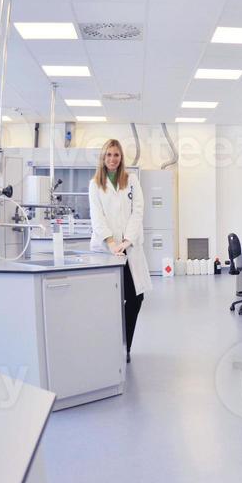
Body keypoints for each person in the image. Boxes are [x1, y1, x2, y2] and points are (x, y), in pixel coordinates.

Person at [88, 138, 151, 362]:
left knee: (136, 298)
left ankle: (125, 346)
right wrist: (111, 242)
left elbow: (138, 211)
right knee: (109, 300)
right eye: (108, 155)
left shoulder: (131, 180)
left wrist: (126, 240)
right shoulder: (95, 184)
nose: (113, 159)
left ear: (121, 157)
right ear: (103, 158)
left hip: (129, 249)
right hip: (106, 250)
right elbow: (97, 217)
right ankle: (109, 346)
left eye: (116, 155)